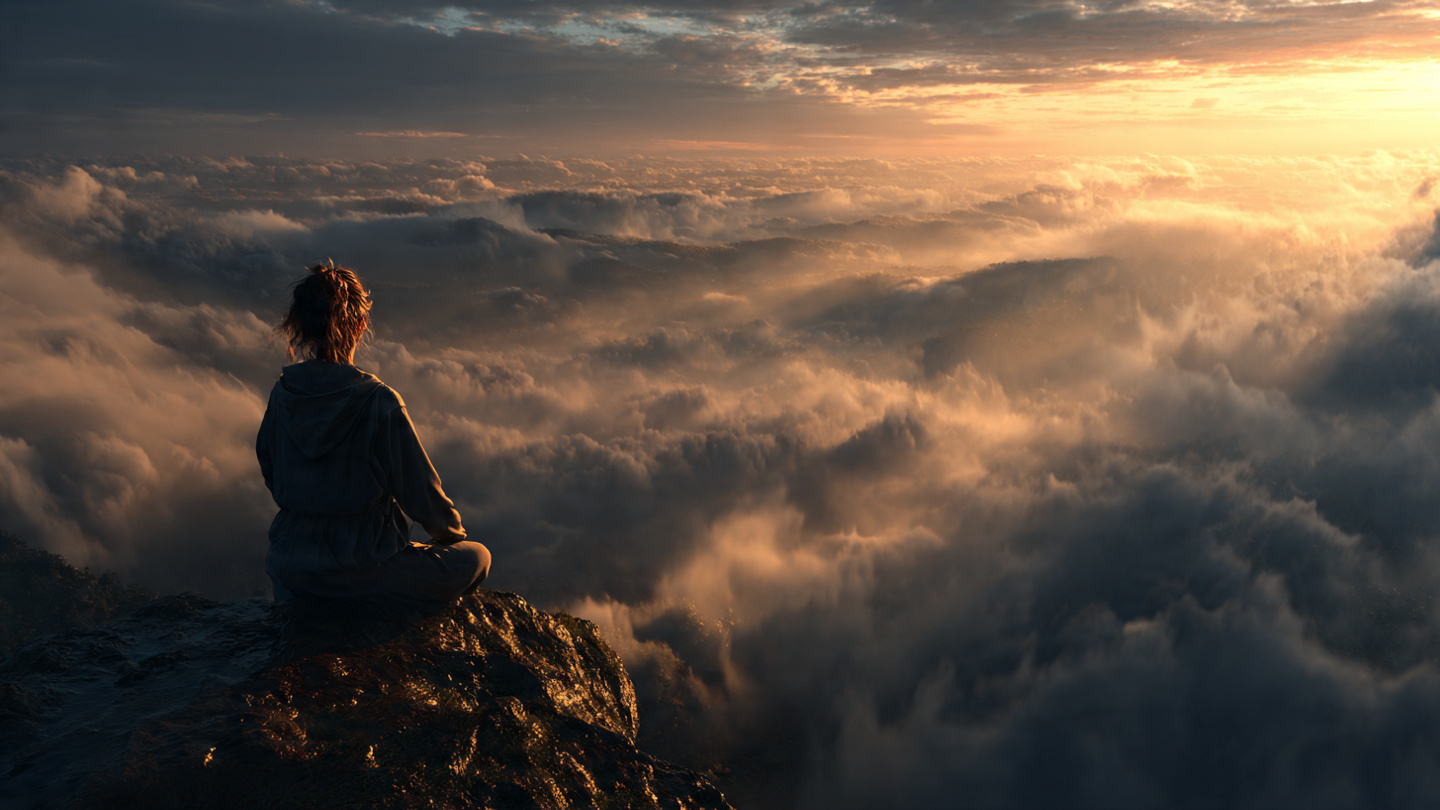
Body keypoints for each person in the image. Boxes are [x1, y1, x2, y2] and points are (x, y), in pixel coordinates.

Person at [256, 262, 490, 603]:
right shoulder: (378, 401)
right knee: (477, 556)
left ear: (301, 327)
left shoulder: (283, 394)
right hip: (362, 571)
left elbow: (271, 472)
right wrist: (451, 535)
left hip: (291, 569)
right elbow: (424, 498)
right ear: (360, 324)